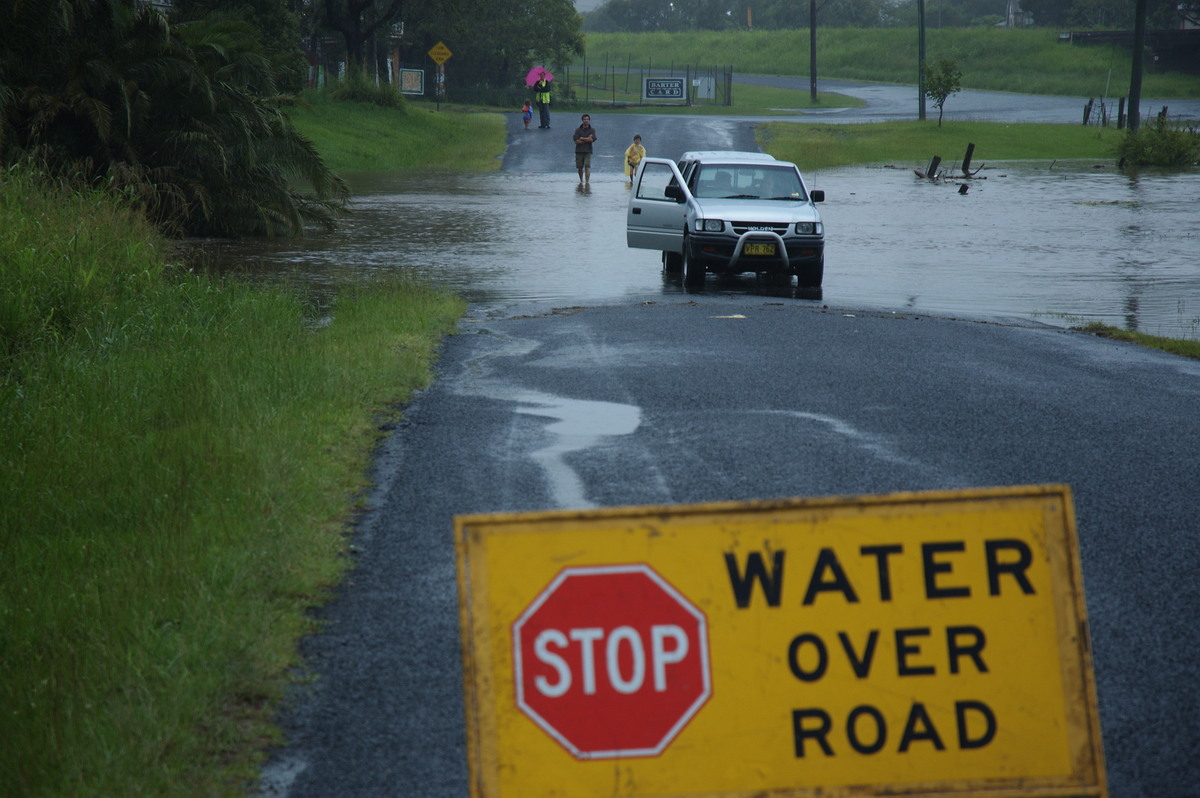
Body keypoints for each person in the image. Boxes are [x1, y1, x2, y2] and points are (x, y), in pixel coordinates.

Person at [572, 114, 597, 184]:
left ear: (589, 120)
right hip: (579, 151)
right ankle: (581, 180)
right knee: (580, 167)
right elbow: (576, 141)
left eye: (587, 119)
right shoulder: (578, 130)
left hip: (588, 151)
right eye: (584, 119)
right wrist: (587, 139)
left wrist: (582, 138)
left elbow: (592, 140)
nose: (586, 121)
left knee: (587, 166)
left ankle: (587, 182)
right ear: (582, 120)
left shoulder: (592, 130)